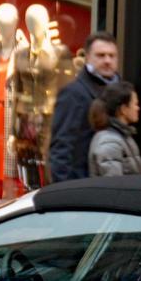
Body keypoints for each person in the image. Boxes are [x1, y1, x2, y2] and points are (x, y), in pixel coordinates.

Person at [49, 31, 119, 183]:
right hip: (83, 186)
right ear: (87, 57)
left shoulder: (121, 91)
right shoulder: (73, 94)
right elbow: (61, 148)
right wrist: (65, 193)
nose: (107, 60)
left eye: (112, 56)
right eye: (100, 55)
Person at [87, 81, 141, 177]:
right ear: (123, 109)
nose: (138, 108)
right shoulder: (109, 141)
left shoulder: (123, 136)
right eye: (135, 104)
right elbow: (114, 185)